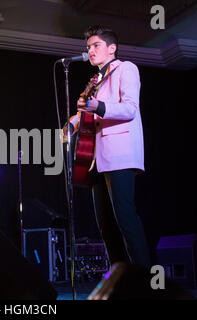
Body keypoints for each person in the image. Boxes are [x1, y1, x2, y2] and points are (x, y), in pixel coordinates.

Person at [65, 25, 151, 269]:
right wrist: (71, 124)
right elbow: (87, 115)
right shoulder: (95, 80)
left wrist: (99, 106)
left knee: (125, 217)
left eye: (96, 46)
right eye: (88, 47)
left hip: (119, 154)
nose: (90, 51)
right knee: (105, 225)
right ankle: (119, 280)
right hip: (95, 157)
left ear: (112, 48)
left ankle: (143, 279)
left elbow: (130, 109)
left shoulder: (126, 69)